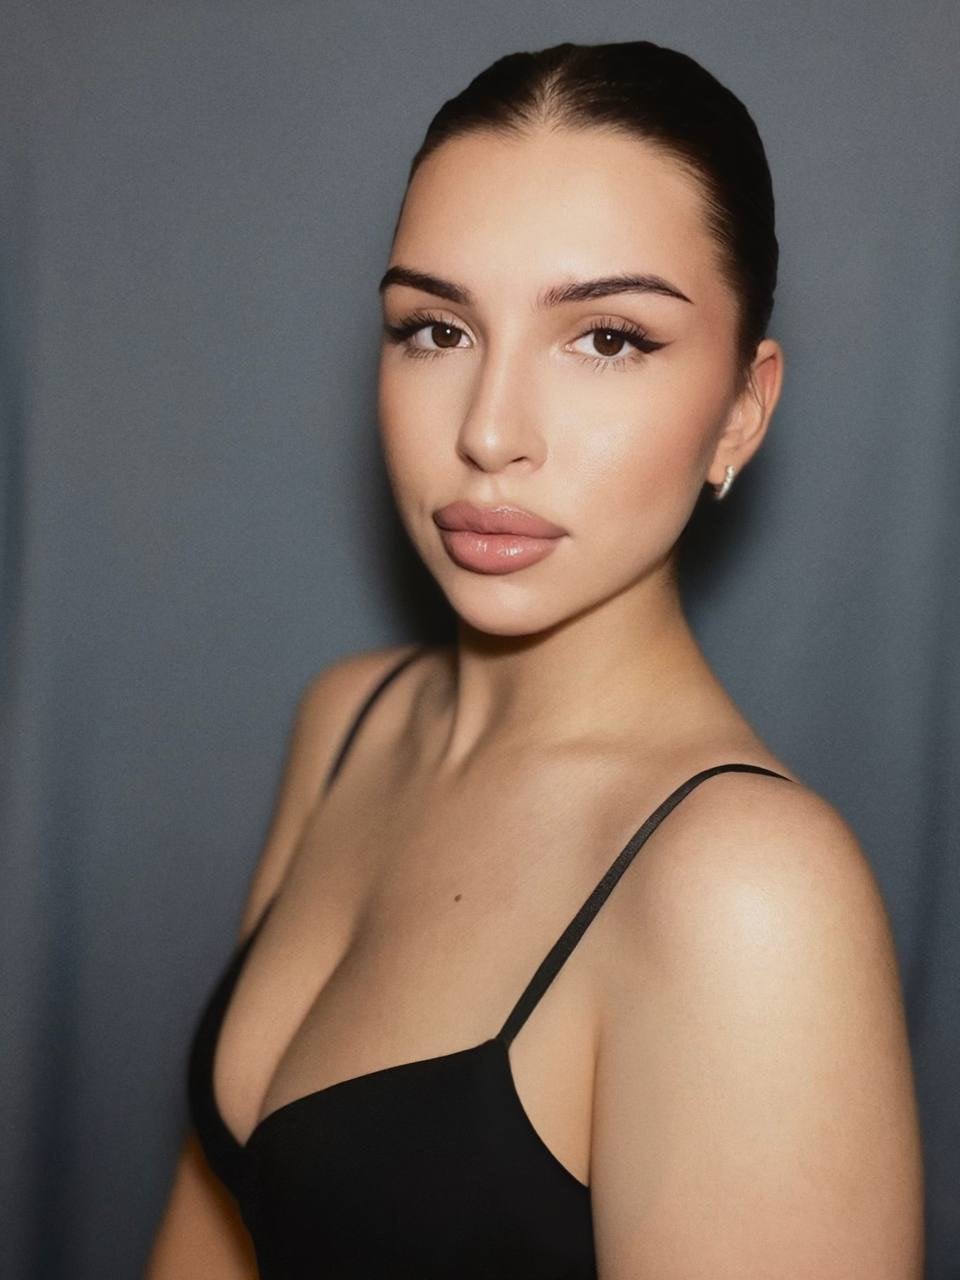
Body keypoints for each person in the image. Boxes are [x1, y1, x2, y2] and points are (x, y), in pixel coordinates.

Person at [146, 38, 924, 1279]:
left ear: (742, 408)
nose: (490, 430)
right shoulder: (352, 721)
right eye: (435, 328)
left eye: (606, 338)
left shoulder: (748, 894)